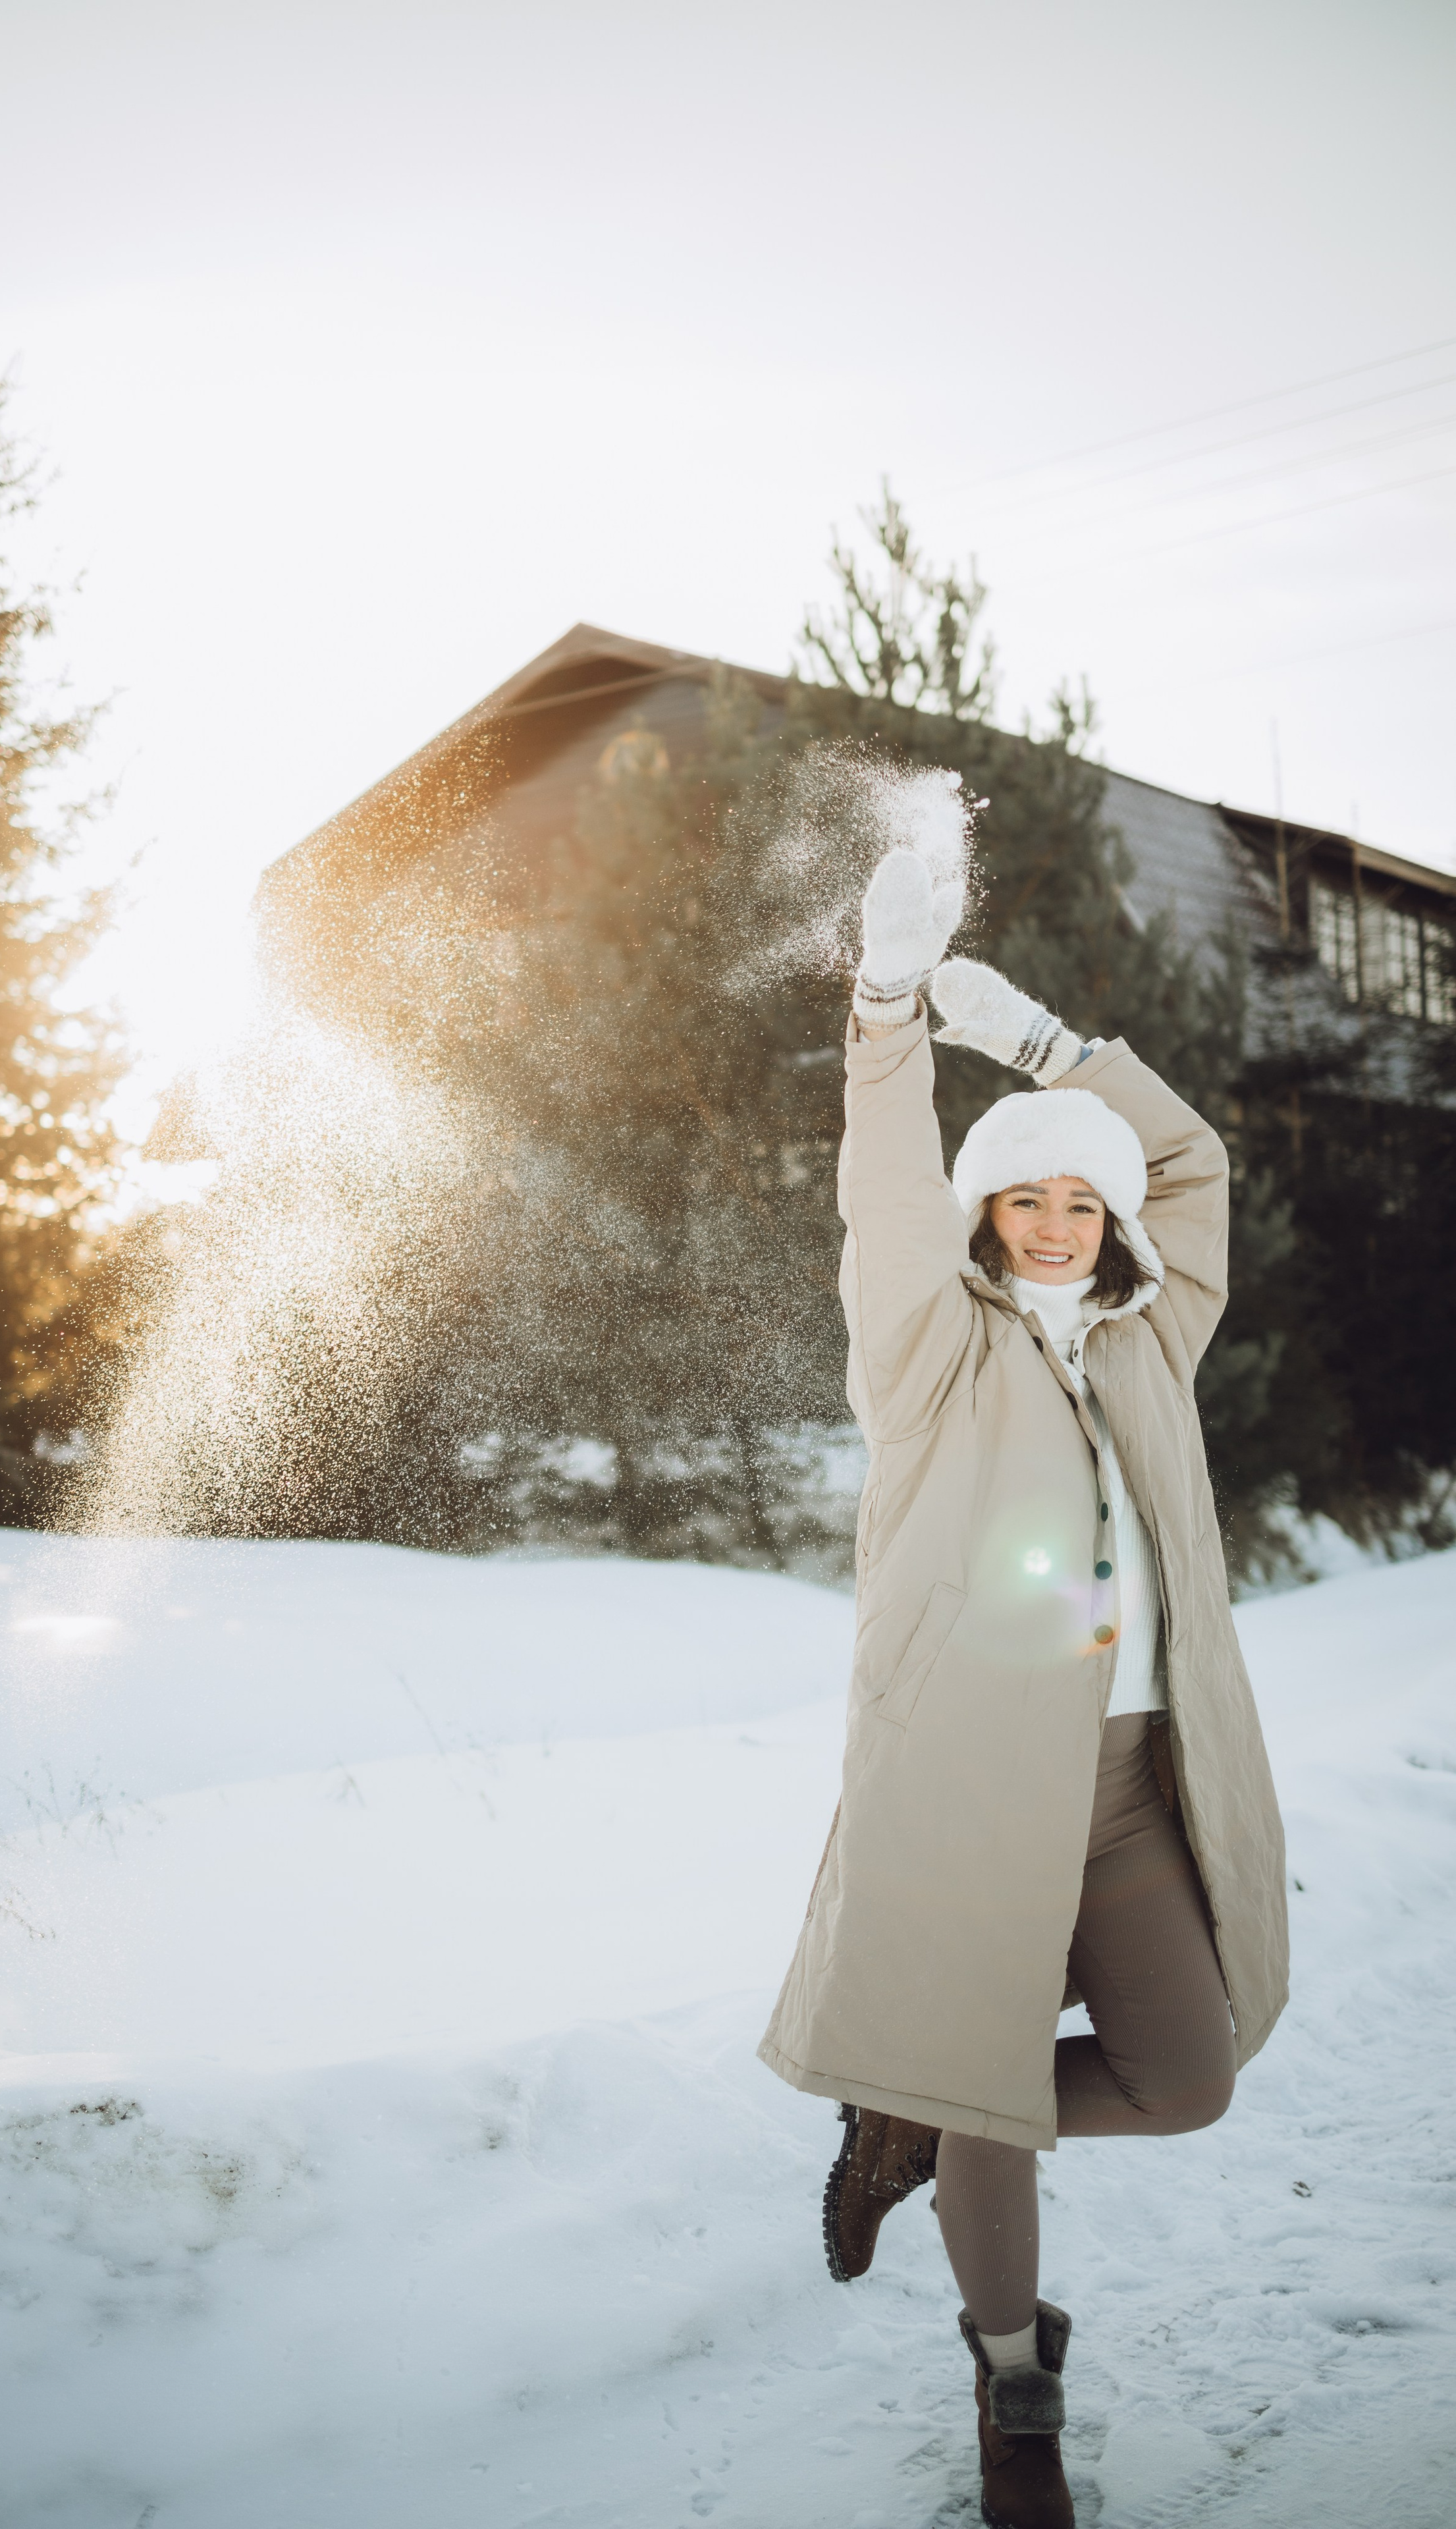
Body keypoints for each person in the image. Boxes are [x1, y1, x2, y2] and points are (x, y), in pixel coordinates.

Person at [758, 779, 1289, 2529]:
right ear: (988, 1220)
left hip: (1132, 1797)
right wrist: (893, 1015)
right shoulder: (926, 1348)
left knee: (1185, 2075)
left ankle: (913, 2118)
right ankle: (1014, 2388)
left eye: (1080, 1197)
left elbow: (1198, 1158)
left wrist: (1053, 1042)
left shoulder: (1155, 1331)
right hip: (975, 1798)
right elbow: (881, 1192)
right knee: (979, 2063)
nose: (1056, 1223)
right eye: (1025, 1201)